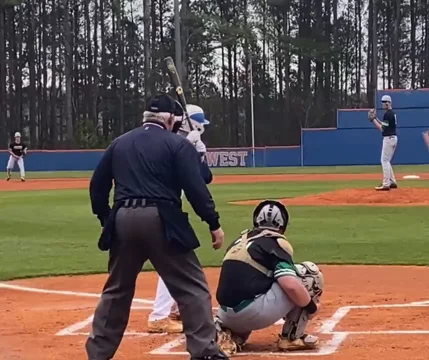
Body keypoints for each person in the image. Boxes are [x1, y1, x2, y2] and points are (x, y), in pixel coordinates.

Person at [86, 94, 228, 360]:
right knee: (191, 288)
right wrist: (213, 222)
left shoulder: (119, 143)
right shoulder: (176, 144)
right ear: (171, 119)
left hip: (123, 218)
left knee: (117, 290)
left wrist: (108, 219)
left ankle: (98, 354)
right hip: (162, 218)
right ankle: (204, 351)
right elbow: (196, 188)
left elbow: (97, 187)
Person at [213, 200, 324, 355]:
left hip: (225, 314)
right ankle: (292, 337)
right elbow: (290, 284)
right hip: (251, 314)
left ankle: (231, 333)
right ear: (282, 224)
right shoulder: (275, 242)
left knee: (264, 278)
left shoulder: (239, 240)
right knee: (308, 274)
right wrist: (311, 307)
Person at [147, 104, 213, 334]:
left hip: (169, 210)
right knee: (173, 259)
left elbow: (205, 178)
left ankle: (171, 308)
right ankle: (159, 315)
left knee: (173, 259)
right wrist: (188, 146)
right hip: (157, 209)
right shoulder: (165, 143)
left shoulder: (185, 144)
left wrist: (199, 153)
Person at [368, 95, 398, 191]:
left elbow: (382, 128)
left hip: (388, 138)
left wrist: (373, 120)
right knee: (387, 161)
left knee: (384, 161)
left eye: (386, 102)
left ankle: (386, 184)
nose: (384, 103)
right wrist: (376, 119)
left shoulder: (387, 114)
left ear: (390, 103)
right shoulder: (391, 113)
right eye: (383, 102)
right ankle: (392, 181)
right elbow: (384, 124)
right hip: (393, 138)